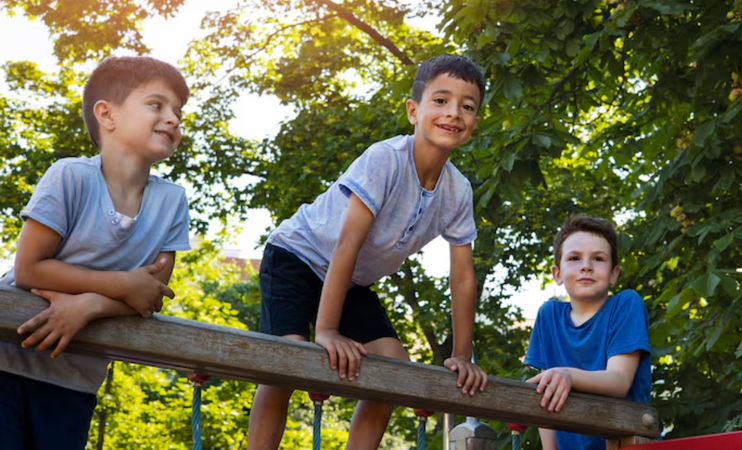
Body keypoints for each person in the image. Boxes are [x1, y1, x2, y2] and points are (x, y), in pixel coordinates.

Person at [248, 54, 488, 450]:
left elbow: (462, 276)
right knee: (287, 358)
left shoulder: (457, 191)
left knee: (394, 367)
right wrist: (326, 331)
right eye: (441, 101)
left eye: (467, 106)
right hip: (297, 255)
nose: (454, 113)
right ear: (414, 111)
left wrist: (462, 355)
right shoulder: (386, 160)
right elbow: (347, 242)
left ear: (475, 123)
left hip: (350, 280)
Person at [0, 56, 192, 450]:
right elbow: (30, 269)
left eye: (178, 111)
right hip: (5, 357)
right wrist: (121, 284)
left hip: (75, 377)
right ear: (106, 114)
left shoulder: (173, 201)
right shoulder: (70, 176)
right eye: (157, 105)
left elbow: (150, 295)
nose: (173, 118)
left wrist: (88, 306)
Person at [524, 215, 651, 450]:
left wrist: (568, 375)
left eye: (598, 258)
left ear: (613, 274)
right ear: (557, 274)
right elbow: (545, 395)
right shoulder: (548, 316)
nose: (586, 266)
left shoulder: (625, 305)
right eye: (574, 258)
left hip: (627, 443)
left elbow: (619, 381)